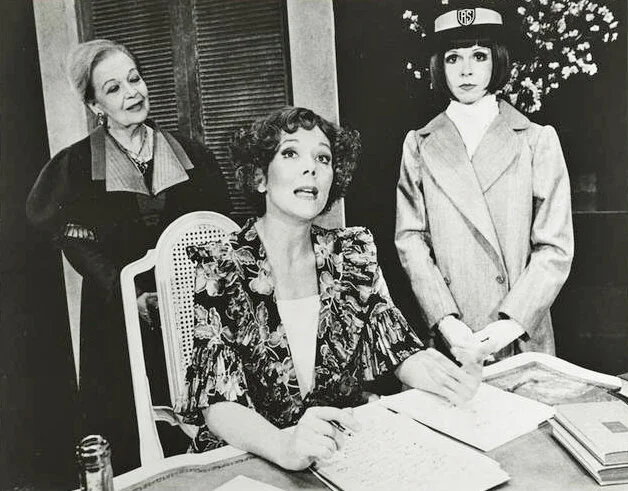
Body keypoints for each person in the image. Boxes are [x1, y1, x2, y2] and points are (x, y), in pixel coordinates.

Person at [176, 107, 482, 470]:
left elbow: (395, 349)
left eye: (323, 158)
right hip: (254, 456)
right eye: (291, 153)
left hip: (336, 455)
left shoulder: (353, 254)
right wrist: (283, 446)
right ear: (260, 177)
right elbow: (217, 402)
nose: (312, 167)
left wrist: (447, 379)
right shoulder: (221, 264)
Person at [26, 39, 231, 474]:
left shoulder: (193, 155)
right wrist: (125, 292)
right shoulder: (75, 167)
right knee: (129, 430)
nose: (131, 93)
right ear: (95, 105)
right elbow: (75, 241)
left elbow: (218, 233)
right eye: (113, 88)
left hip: (190, 315)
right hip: (116, 315)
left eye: (134, 79)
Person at [395, 0, 574, 364]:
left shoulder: (536, 140)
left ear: (498, 61)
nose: (466, 70)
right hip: (451, 340)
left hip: (519, 337)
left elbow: (555, 249)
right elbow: (410, 240)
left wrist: (509, 325)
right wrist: (446, 321)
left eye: (479, 56)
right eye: (453, 58)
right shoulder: (419, 144)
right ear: (439, 66)